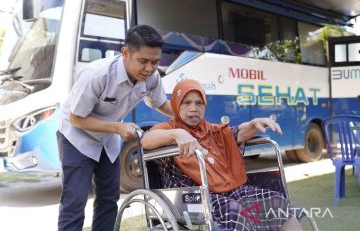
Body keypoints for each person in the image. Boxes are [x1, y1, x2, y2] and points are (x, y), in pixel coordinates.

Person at [141, 79, 303, 231]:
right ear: (176, 105)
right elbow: (146, 140)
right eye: (186, 103)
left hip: (227, 190)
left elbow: (235, 133)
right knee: (235, 212)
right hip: (192, 197)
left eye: (199, 103)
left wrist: (253, 124)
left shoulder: (211, 130)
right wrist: (176, 134)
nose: (193, 108)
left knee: (277, 203)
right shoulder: (168, 128)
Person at [57, 25, 173, 231]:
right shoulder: (97, 75)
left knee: (109, 199)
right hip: (76, 137)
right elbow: (76, 118)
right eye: (143, 61)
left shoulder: (152, 77)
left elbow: (160, 103)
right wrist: (117, 127)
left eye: (155, 62)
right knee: (75, 202)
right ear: (125, 53)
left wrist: (188, 115)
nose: (149, 68)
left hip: (107, 138)